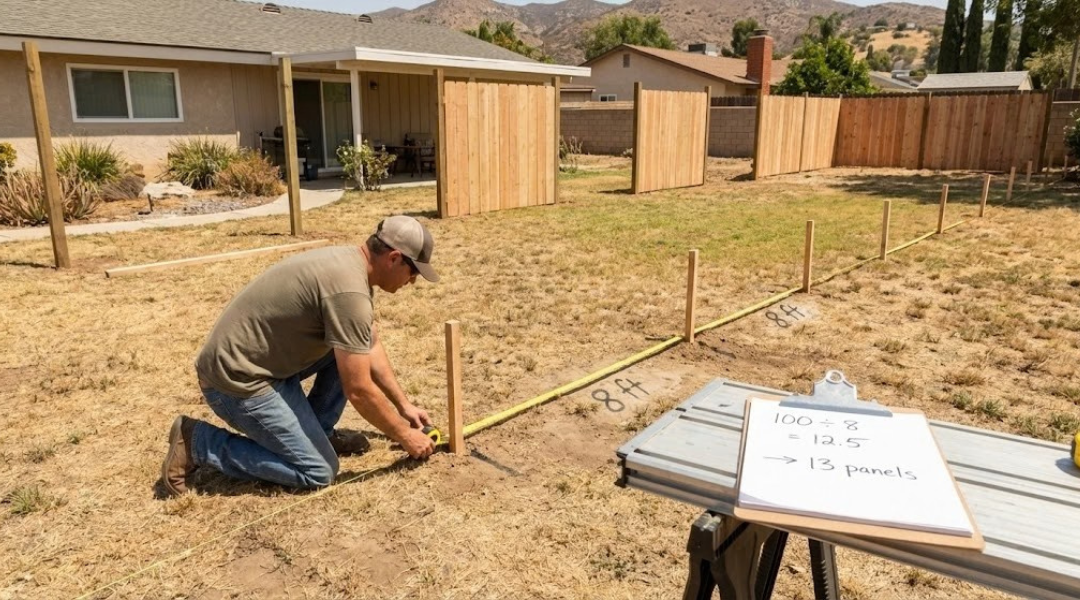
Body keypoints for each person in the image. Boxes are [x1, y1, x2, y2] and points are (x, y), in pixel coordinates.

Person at [161, 216, 440, 496]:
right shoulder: (349, 292)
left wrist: (404, 405)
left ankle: (319, 431)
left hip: (263, 366)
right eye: (413, 271)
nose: (413, 281)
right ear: (393, 258)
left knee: (349, 348)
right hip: (237, 381)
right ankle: (199, 442)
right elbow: (359, 390)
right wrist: (405, 435)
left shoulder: (350, 265)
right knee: (317, 471)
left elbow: (369, 344)